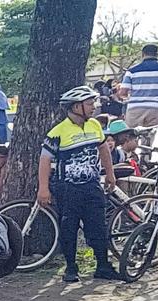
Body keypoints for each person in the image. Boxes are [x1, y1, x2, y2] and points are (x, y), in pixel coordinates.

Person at [38, 85, 124, 283]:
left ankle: (102, 265)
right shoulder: (58, 132)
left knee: (98, 226)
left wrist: (109, 173)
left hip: (92, 185)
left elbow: (103, 148)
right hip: (67, 188)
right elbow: (44, 160)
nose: (93, 106)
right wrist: (43, 188)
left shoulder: (94, 125)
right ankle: (71, 267)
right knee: (69, 226)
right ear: (76, 107)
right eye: (89, 103)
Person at [121, 44, 158, 130]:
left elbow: (123, 92)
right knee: (149, 136)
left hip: (135, 108)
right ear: (157, 54)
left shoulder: (132, 70)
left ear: (142, 54)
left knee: (132, 136)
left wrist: (130, 97)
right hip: (155, 108)